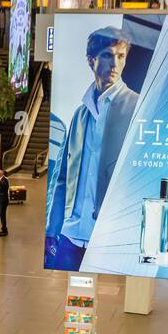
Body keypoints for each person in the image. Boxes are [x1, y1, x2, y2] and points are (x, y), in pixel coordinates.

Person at [45, 26, 140, 271]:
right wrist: (52, 230)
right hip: (70, 235)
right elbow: (63, 178)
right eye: (108, 55)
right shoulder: (80, 113)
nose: (115, 64)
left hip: (110, 236)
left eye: (121, 56)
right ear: (92, 60)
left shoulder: (136, 107)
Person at [0, 169, 10, 237]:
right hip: (0, 200)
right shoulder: (0, 180)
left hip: (3, 201)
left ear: (0, 174)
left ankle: (4, 230)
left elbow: (4, 185)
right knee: (1, 215)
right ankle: (3, 228)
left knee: (2, 215)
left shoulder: (4, 180)